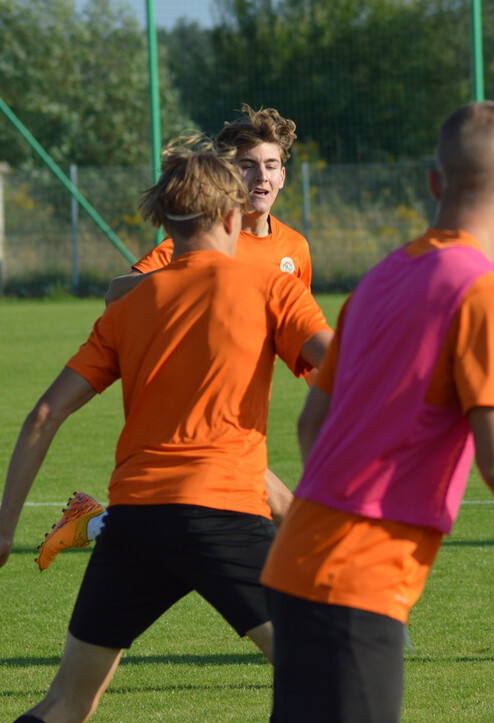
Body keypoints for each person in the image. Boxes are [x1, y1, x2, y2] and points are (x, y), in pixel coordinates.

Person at [260, 101, 494, 723]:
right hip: (359, 582)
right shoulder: (489, 293)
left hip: (294, 564)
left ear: (432, 182)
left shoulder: (377, 280)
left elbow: (312, 427)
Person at [0, 134, 332, 723]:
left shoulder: (127, 309)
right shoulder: (269, 286)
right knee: (321, 675)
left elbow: (44, 415)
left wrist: (2, 531)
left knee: (66, 702)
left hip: (135, 522)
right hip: (225, 513)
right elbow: (344, 369)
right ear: (233, 216)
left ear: (169, 224)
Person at [36, 105, 311, 570]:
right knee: (278, 515)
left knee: (181, 530)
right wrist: (199, 274)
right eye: (247, 165)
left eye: (270, 166)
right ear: (229, 173)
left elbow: (294, 337)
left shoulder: (295, 249)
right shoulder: (199, 233)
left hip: (237, 416)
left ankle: (90, 524)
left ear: (283, 176)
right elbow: (117, 293)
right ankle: (327, 619)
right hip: (191, 414)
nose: (259, 176)